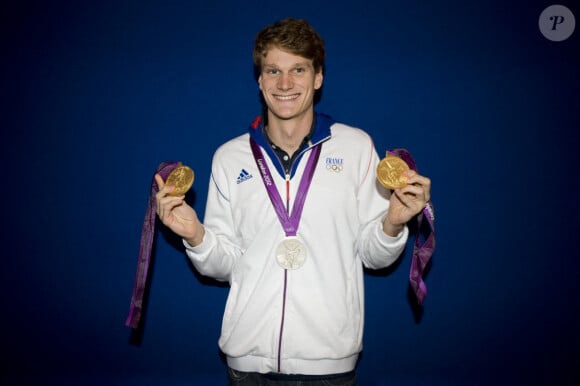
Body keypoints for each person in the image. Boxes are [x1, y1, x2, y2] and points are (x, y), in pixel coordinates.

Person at [155, 18, 431, 386]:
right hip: (247, 363)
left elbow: (373, 256)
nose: (285, 84)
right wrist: (195, 236)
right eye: (273, 71)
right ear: (260, 80)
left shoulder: (356, 147)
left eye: (298, 70)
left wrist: (392, 224)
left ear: (318, 78)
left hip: (329, 364)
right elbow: (224, 266)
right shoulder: (229, 157)